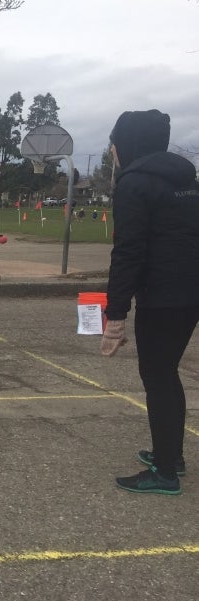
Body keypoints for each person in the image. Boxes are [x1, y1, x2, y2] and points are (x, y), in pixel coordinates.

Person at [101, 109, 199, 496]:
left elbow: (128, 251)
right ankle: (170, 456)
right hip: (190, 291)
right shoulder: (186, 180)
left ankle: (165, 472)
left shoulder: (134, 184)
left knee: (157, 376)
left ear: (126, 144)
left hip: (164, 295)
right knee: (167, 372)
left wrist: (116, 314)